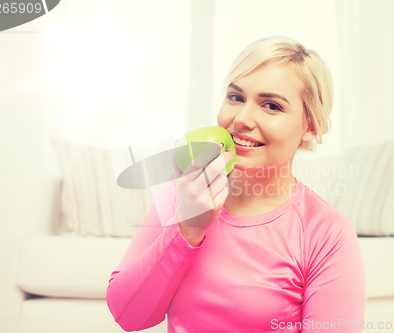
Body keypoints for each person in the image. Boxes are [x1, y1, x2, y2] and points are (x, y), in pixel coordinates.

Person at [106, 36, 366, 332]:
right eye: (236, 97)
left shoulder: (327, 233)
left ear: (310, 127)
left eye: (271, 106)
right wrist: (187, 229)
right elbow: (129, 316)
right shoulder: (184, 187)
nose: (242, 118)